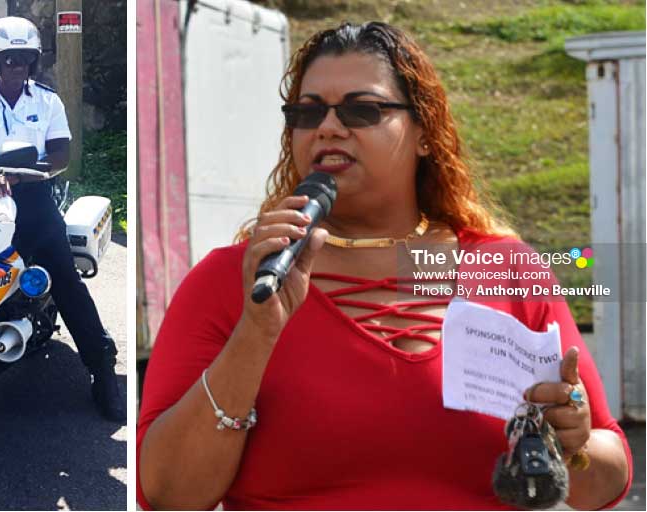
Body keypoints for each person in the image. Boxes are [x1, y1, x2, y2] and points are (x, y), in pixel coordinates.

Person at [137, 22, 632, 509]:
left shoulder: (505, 268)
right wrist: (255, 333)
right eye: (307, 114)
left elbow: (606, 483)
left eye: (362, 109)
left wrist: (576, 444)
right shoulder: (238, 279)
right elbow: (167, 493)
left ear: (424, 131)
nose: (329, 126)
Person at [0, 16, 125, 422]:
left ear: (34, 62)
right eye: (8, 58)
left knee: (65, 280)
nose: (17, 66)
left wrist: (26, 172)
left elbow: (61, 154)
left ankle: (102, 371)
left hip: (32, 201)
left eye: (25, 59)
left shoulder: (47, 101)